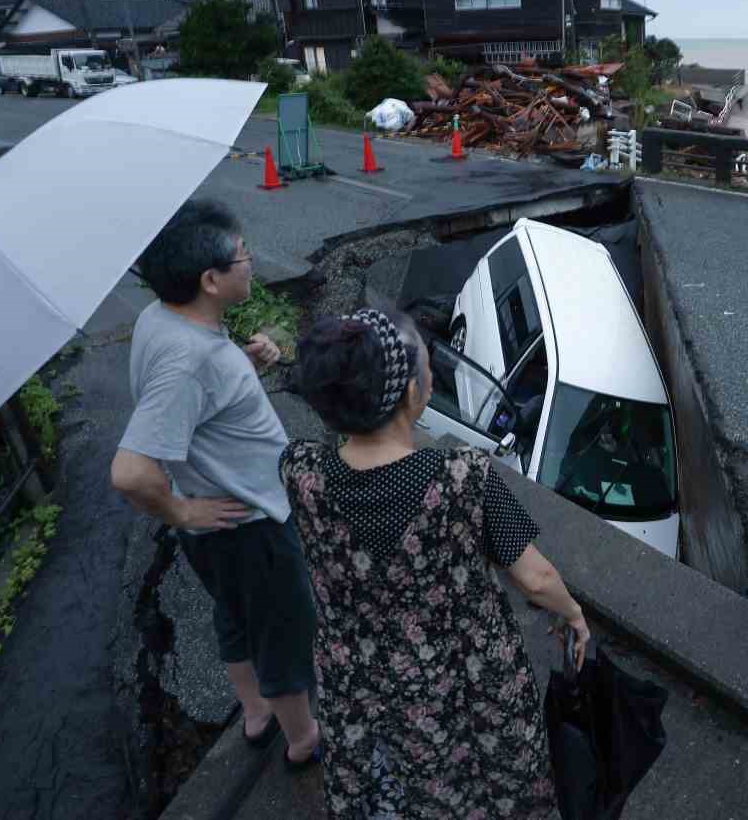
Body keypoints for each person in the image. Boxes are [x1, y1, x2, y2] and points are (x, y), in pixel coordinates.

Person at [281, 307, 588, 820]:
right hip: (467, 676)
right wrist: (573, 613)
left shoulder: (300, 472)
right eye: (426, 367)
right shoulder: (462, 477)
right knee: (492, 783)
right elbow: (536, 578)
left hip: (360, 677)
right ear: (409, 394)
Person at [110, 199, 320, 767]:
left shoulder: (164, 317)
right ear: (210, 279)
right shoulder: (193, 358)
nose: (251, 263)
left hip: (217, 523)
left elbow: (192, 399)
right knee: (281, 629)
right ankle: (302, 741)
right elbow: (129, 471)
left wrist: (246, 365)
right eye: (243, 256)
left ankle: (255, 715)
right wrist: (181, 513)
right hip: (247, 523)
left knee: (234, 615)